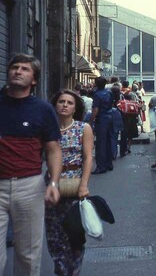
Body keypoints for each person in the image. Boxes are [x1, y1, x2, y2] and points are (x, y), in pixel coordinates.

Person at [0, 53, 62, 275]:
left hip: (29, 186)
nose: (18, 71)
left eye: (25, 69)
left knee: (28, 255)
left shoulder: (43, 109)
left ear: (34, 79)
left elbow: (53, 150)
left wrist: (53, 183)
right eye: (15, 67)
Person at [46, 89, 93, 276]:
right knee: (54, 236)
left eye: (69, 103)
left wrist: (84, 184)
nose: (65, 105)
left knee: (74, 234)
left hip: (75, 186)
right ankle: (61, 270)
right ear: (55, 106)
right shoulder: (47, 129)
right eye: (61, 102)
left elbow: (89, 157)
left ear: (75, 108)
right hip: (52, 186)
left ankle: (73, 271)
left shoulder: (84, 128)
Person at [89, 77, 113, 174]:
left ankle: (101, 166)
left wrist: (91, 120)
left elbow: (96, 110)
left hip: (101, 118)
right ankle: (109, 163)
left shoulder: (97, 94)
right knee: (108, 141)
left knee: (100, 143)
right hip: (109, 116)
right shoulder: (109, 93)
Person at [119, 92, 140, 157]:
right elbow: (138, 112)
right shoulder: (134, 103)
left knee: (124, 135)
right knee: (131, 135)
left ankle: (123, 149)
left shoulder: (121, 103)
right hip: (133, 121)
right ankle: (128, 146)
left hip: (125, 120)